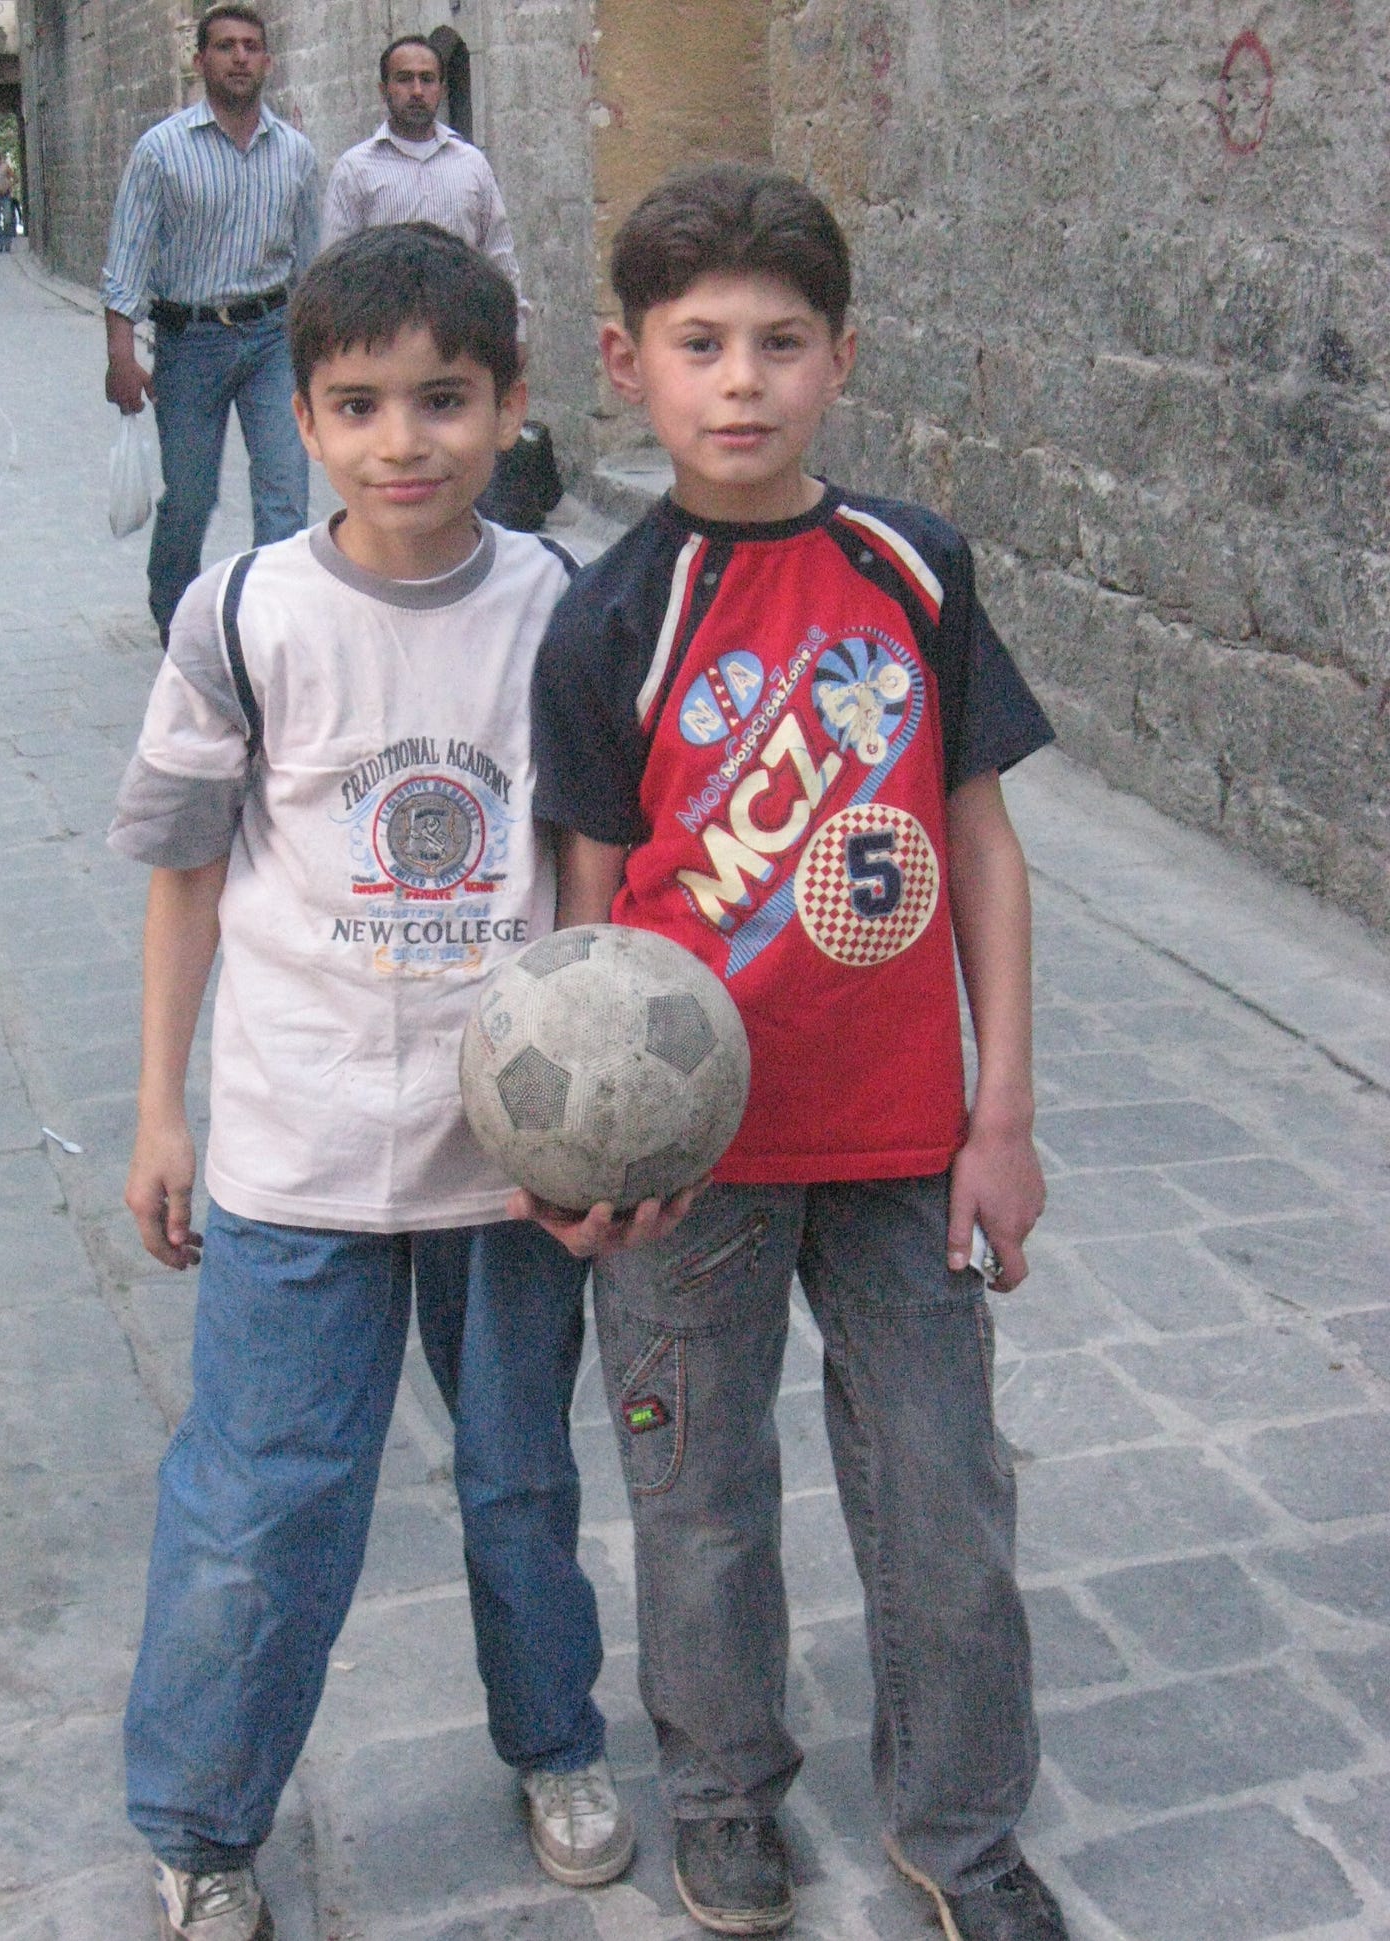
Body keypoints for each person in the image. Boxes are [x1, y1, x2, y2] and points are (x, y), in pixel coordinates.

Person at [525, 164, 1069, 1941]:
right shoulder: (611, 616)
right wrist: (580, 1159)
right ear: (628, 361)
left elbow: (979, 845)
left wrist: (1004, 1112)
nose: (741, 380)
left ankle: (962, 1830)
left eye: (779, 342)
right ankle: (723, 1795)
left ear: (842, 358)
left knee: (943, 1503)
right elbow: (588, 927)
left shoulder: (910, 567)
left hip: (907, 1141)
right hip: (695, 1170)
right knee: (699, 1502)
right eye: (701, 345)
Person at [108, 223, 637, 1941]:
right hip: (294, 1142)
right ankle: (200, 1820)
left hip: (504, 1157)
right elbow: (185, 871)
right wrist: (162, 1111)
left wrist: (597, 1113)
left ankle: (554, 1740)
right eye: (358, 405)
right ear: (306, 416)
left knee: (519, 1483)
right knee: (264, 1498)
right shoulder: (247, 612)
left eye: (443, 400)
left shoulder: (556, 609)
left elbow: (581, 870)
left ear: (508, 404)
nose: (403, 440)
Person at [100, 2, 319, 648]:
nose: (240, 57)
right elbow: (127, 259)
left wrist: (320, 357)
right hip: (188, 342)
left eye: (251, 46)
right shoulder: (161, 152)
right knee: (191, 499)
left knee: (284, 492)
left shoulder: (297, 155)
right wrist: (121, 358)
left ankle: (270, 624)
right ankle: (173, 610)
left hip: (272, 338)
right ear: (200, 61)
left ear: (268, 62)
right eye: (225, 46)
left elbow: (310, 265)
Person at [320, 33, 526, 335]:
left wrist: (516, 331)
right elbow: (335, 271)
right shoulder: (354, 170)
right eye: (404, 79)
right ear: (383, 89)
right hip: (385, 338)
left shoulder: (471, 164)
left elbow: (499, 255)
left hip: (462, 333)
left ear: (441, 89)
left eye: (427, 79)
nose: (417, 91)